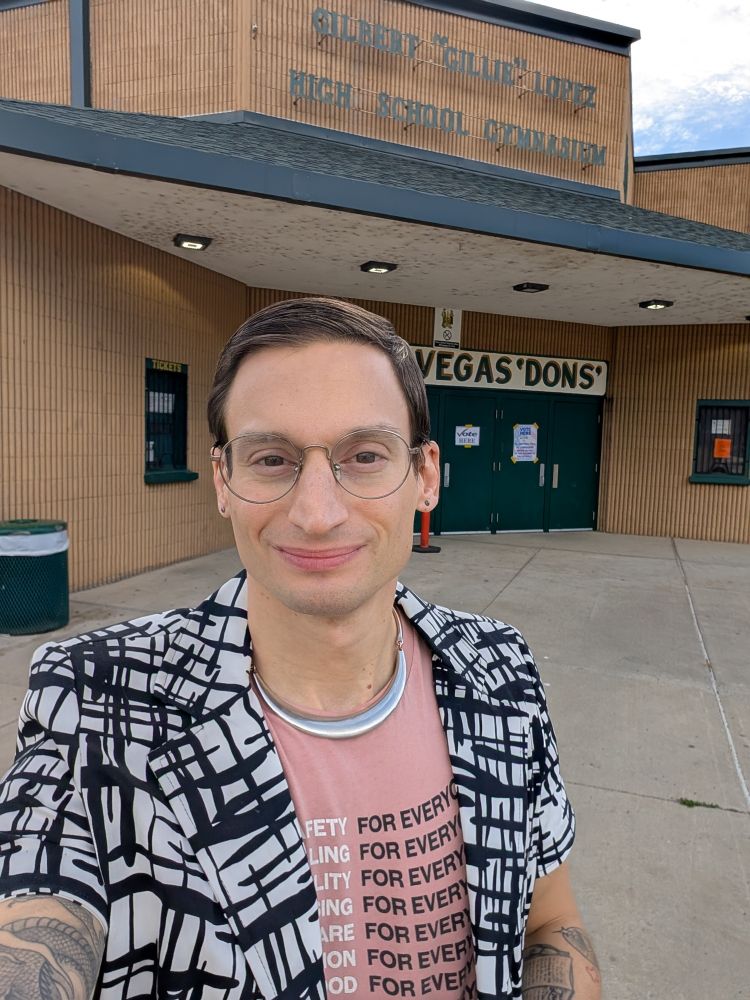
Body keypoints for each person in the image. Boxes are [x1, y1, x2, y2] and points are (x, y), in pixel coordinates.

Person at [0, 298, 600, 1000]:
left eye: (365, 456)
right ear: (223, 480)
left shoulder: (500, 669)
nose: (317, 513)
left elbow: (549, 920)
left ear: (426, 475)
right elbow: (37, 918)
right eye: (273, 459)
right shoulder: (100, 696)